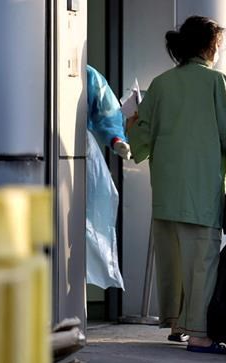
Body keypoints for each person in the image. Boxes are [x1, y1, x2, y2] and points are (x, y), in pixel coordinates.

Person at [127, 16, 226, 354]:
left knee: (173, 262)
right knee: (202, 263)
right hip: (200, 193)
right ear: (208, 46)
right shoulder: (217, 83)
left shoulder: (160, 85)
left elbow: (139, 142)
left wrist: (131, 123)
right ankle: (199, 334)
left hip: (166, 193)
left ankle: (176, 324)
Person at [85, 65, 130, 292]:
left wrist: (116, 140)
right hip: (71, 155)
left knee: (80, 224)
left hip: (77, 154)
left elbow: (108, 113)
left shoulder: (86, 74)